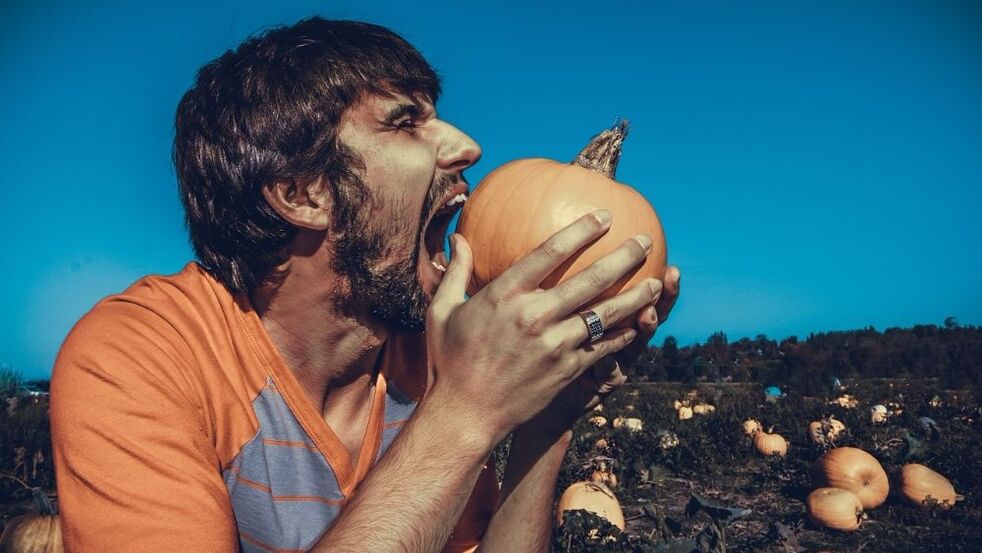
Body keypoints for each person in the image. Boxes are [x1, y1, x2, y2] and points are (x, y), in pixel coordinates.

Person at [50, 16, 680, 553]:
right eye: (406, 123)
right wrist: (464, 412)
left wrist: (548, 417)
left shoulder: (431, 356)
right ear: (302, 193)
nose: (468, 145)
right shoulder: (138, 356)